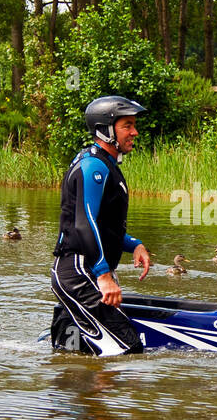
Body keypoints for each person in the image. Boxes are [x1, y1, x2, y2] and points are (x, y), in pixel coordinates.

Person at [50, 95, 153, 355]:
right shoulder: (93, 167)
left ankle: (75, 392)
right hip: (80, 273)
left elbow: (103, 226)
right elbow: (84, 224)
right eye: (127, 126)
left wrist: (134, 244)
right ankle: (96, 395)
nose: (135, 132)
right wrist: (104, 276)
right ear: (106, 130)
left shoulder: (104, 164)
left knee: (72, 352)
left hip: (82, 271)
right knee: (128, 349)